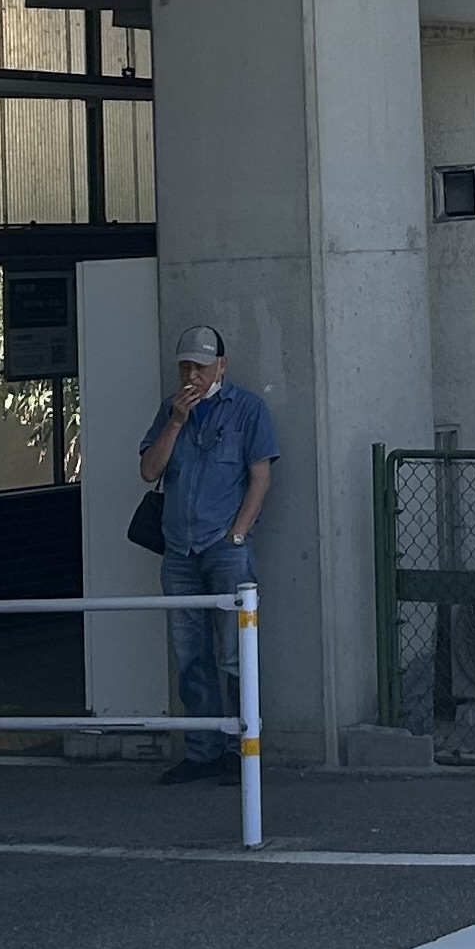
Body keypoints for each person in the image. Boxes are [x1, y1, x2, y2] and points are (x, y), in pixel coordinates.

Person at [137, 325, 277, 785]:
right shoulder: (170, 411)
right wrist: (176, 422)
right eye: (185, 366)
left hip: (225, 549)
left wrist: (238, 535)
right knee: (190, 655)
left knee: (236, 656)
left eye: (200, 365)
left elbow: (260, 476)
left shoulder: (249, 410)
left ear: (222, 364)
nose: (192, 374)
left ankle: (242, 750)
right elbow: (149, 470)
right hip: (179, 551)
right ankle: (202, 750)